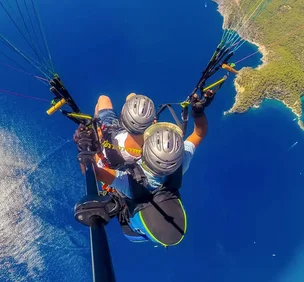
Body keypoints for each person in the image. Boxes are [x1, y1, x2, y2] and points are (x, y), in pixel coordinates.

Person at [76, 91, 214, 247]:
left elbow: (93, 172)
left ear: (145, 154)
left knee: (105, 99)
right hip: (125, 164)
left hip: (115, 152)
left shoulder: (132, 182)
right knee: (126, 97)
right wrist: (198, 112)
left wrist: (87, 147)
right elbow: (199, 134)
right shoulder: (178, 163)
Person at [95, 93, 155, 169]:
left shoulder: (110, 152)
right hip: (123, 132)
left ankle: (96, 122)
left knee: (103, 99)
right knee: (132, 97)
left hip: (111, 133)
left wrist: (98, 138)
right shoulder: (150, 148)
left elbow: (97, 163)